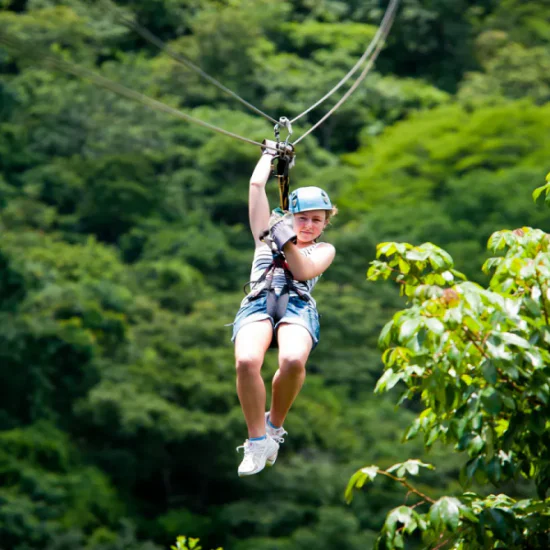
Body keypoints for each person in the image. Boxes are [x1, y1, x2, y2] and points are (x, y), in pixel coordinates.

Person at [232, 146, 337, 477]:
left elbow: (303, 272)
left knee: (292, 360)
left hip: (296, 305)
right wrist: (268, 154)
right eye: (302, 218)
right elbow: (255, 188)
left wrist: (288, 239)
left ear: (324, 224)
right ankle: (256, 440)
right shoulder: (265, 237)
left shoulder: (323, 249)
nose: (307, 225)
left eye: (315, 221)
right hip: (260, 300)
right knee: (247, 361)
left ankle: (274, 426)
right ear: (291, 215)